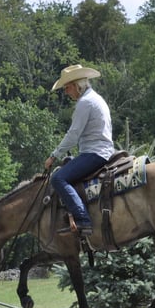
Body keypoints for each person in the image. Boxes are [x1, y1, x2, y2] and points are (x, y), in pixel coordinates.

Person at [44, 64, 114, 237]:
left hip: (94, 153)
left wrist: (54, 156)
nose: (67, 93)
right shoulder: (96, 99)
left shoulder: (85, 103)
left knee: (58, 178)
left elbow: (73, 134)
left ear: (77, 85)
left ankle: (83, 220)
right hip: (103, 150)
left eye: (67, 88)